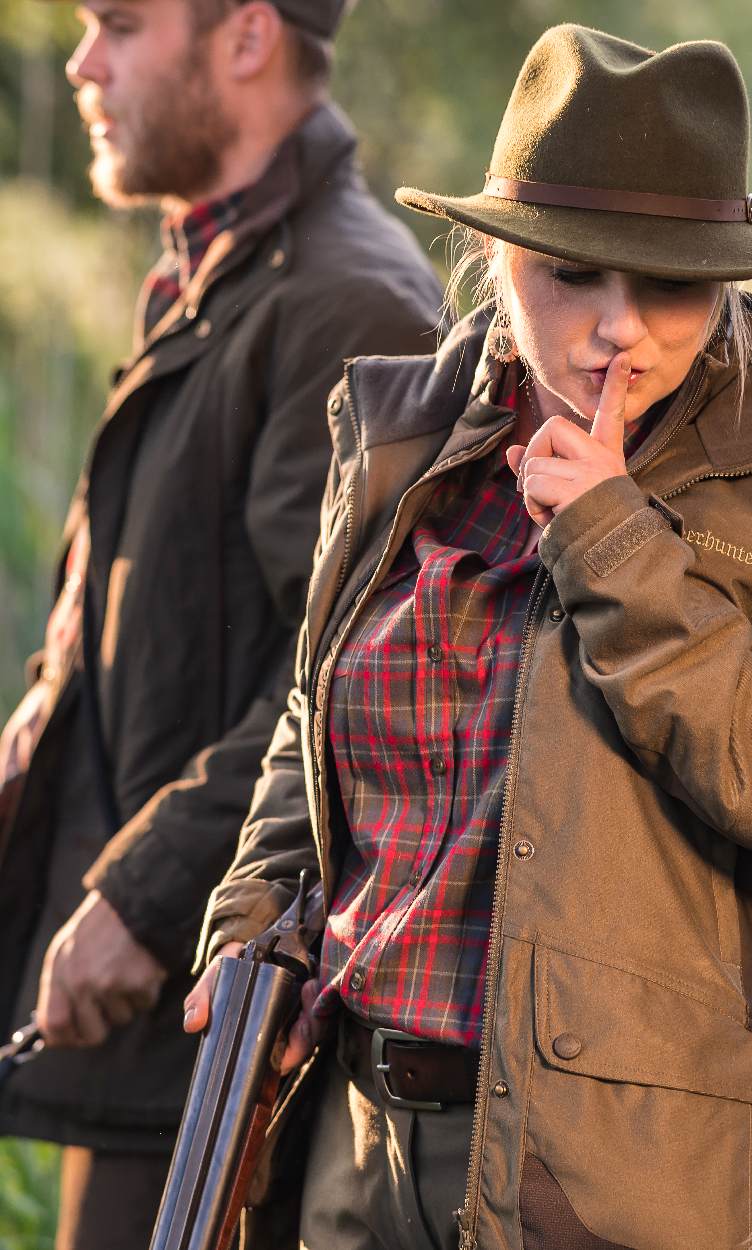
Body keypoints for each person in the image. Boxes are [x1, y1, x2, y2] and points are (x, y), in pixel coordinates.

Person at [186, 25, 752, 1250]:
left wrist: (618, 548)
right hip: (358, 1144)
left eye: (669, 283)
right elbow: (312, 719)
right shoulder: (398, 436)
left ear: (733, 274)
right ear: (494, 249)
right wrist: (253, 913)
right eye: (571, 275)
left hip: (632, 1184)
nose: (617, 330)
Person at [0, 0, 441, 1243]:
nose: (84, 62)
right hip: (150, 1009)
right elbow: (151, 616)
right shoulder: (216, 272)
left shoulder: (351, 303)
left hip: (230, 1023)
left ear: (245, 37)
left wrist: (142, 899)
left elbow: (347, 668)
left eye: (121, 25)